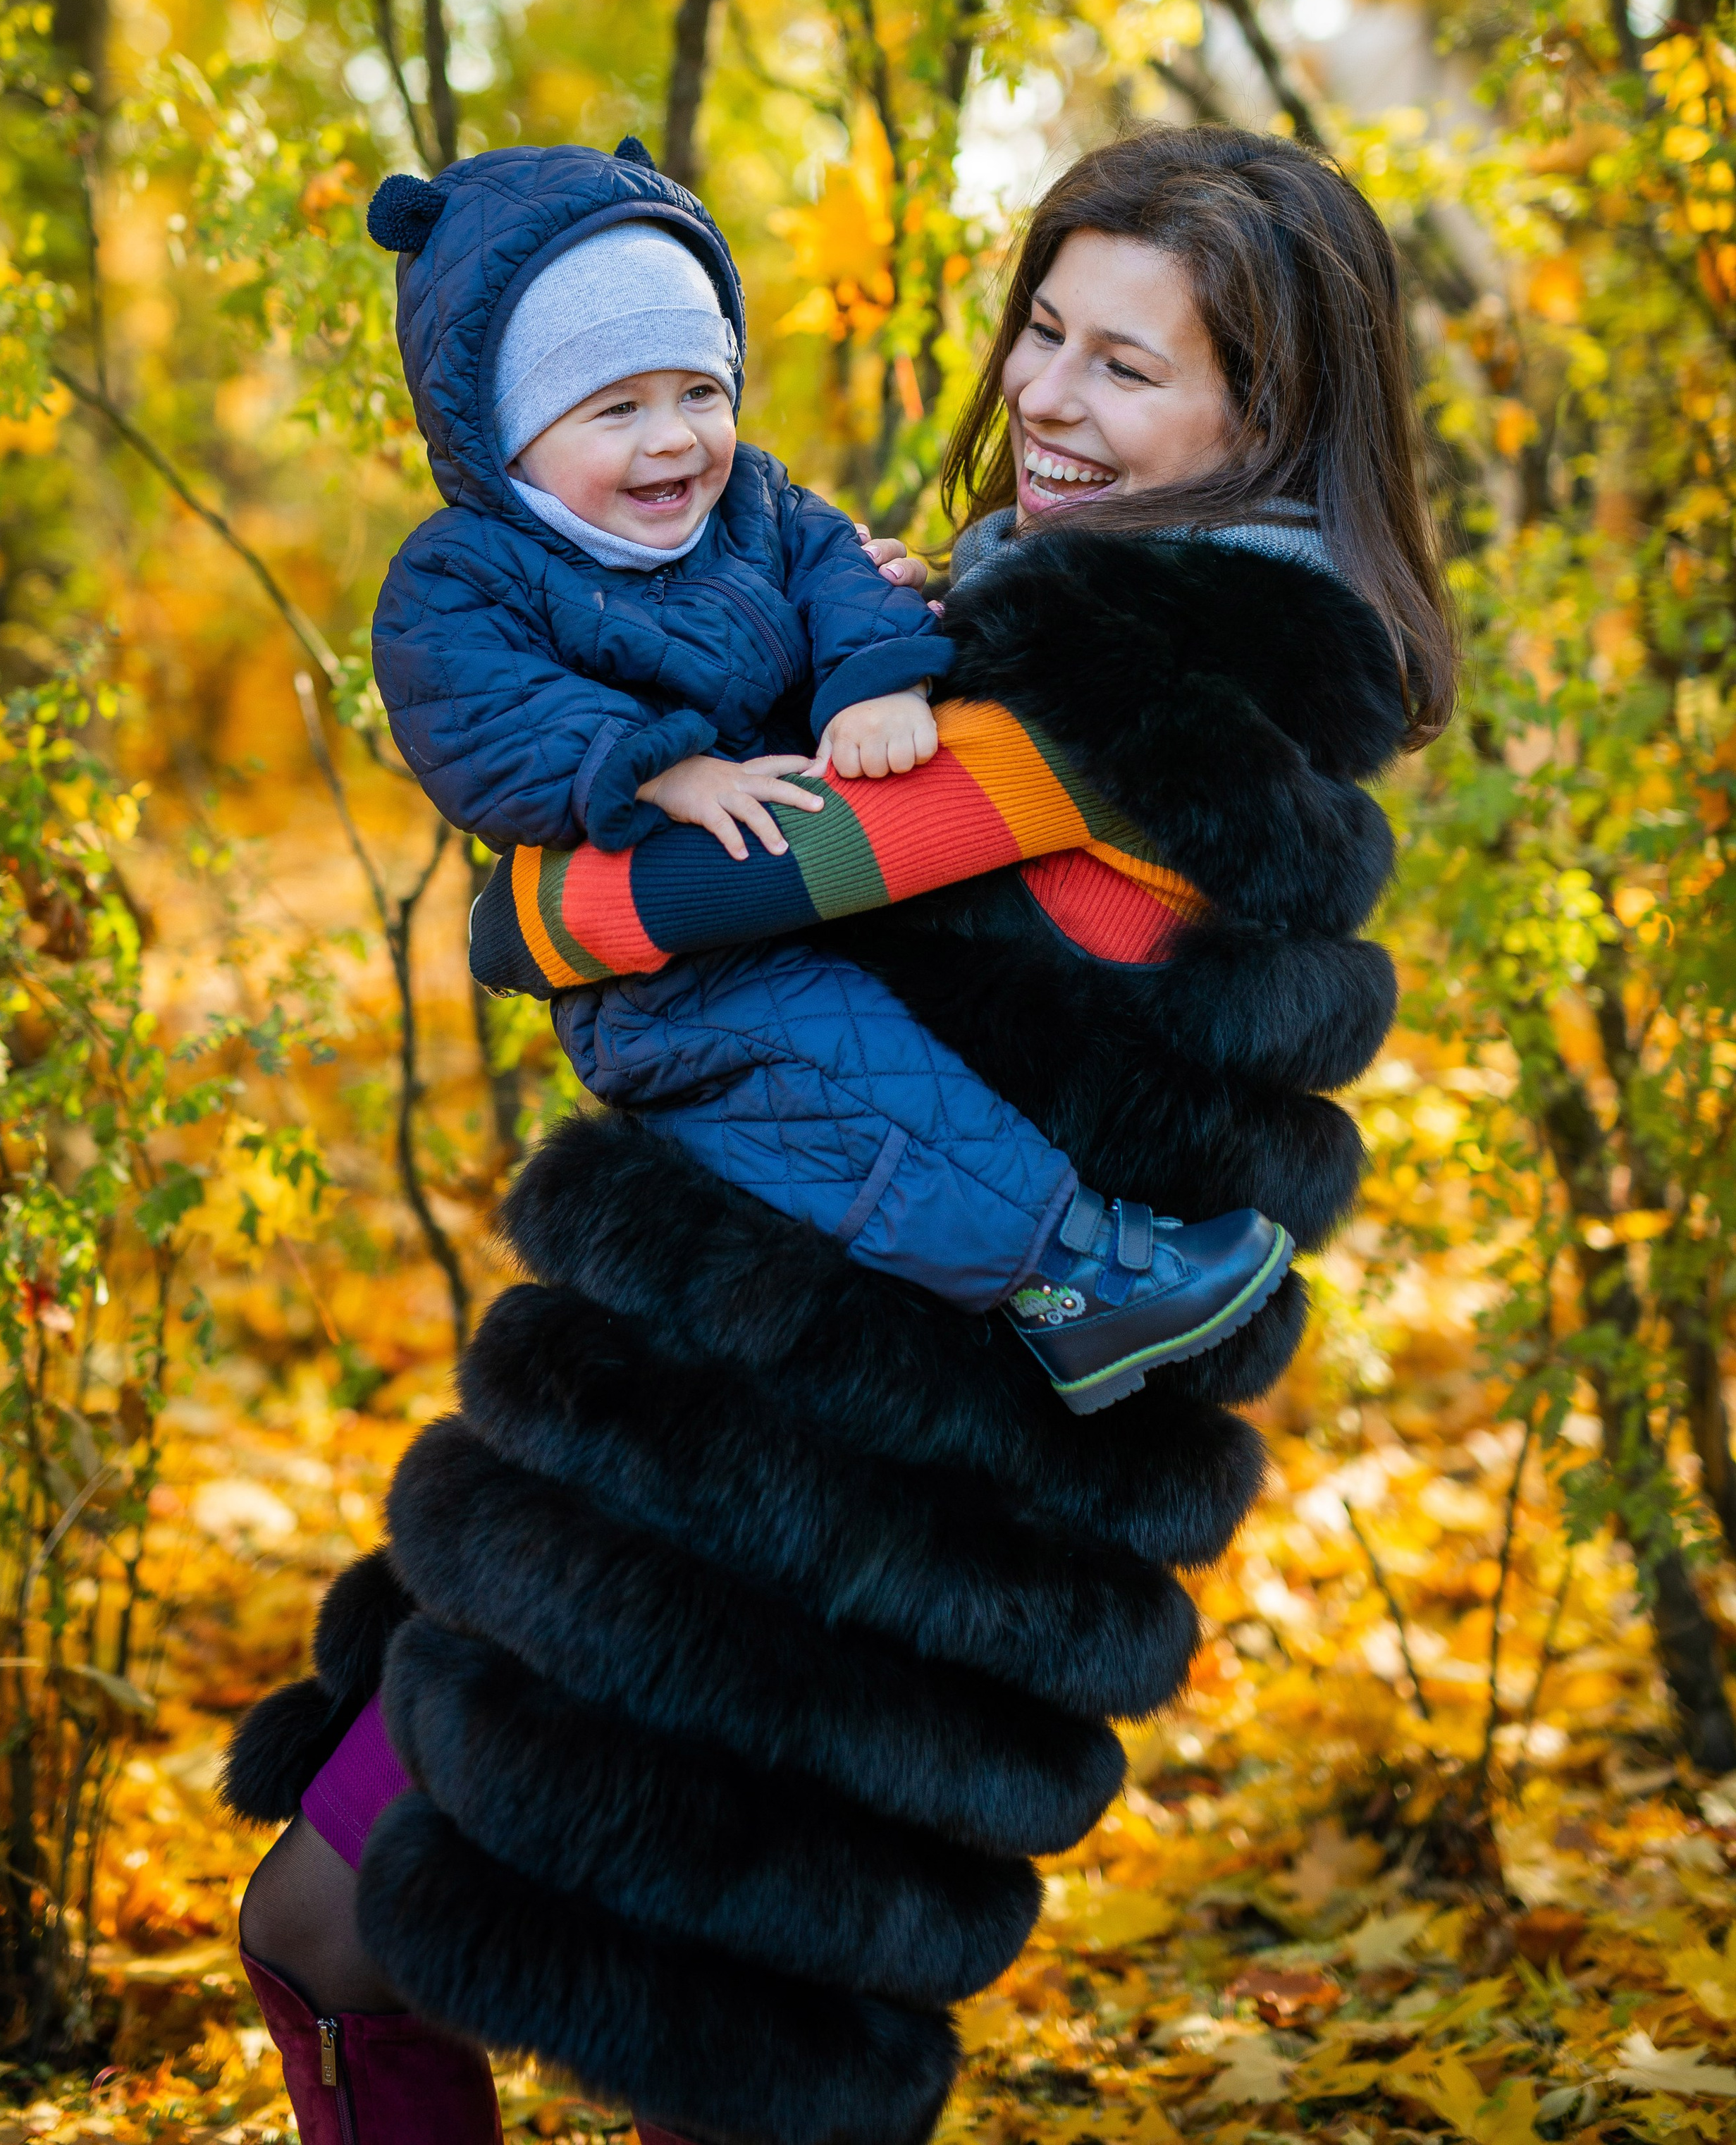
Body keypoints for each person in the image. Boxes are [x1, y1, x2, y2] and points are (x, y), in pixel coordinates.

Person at [233, 125, 1456, 2145]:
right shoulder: (1031, 619)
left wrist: (528, 900)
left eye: (1126, 368)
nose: (1048, 396)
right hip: (693, 1459)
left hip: (820, 1534)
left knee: (662, 2048)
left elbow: (624, 907)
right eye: (1044, 329)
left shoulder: (1136, 696)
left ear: (1272, 412)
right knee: (343, 1937)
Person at [366, 140, 1287, 1416]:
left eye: (700, 391)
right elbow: (477, 713)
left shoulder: (1122, 664)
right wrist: (661, 769)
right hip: (677, 989)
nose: (673, 439)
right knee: (851, 1075)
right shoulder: (471, 575)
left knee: (868, 1084)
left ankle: (1079, 1268)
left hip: (733, 948)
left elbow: (837, 578)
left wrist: (872, 679)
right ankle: (1067, 1266)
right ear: (512, 438)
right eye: (614, 409)